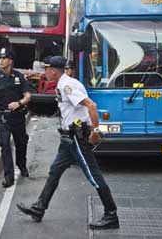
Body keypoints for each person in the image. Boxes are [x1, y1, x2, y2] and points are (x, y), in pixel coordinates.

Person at [16, 55, 119, 229]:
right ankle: (39, 208)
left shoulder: (67, 84)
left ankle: (111, 214)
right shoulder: (63, 83)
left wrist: (95, 131)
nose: (45, 72)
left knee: (94, 176)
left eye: (46, 69)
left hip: (77, 139)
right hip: (68, 139)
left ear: (54, 70)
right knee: (54, 171)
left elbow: (91, 106)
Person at [0, 47, 31, 188]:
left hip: (17, 117)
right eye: (0, 58)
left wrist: (19, 103)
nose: (1, 60)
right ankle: (8, 177)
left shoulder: (19, 77)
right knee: (4, 145)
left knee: (21, 143)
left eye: (4, 58)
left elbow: (28, 95)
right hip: (2, 117)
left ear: (10, 60)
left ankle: (22, 165)